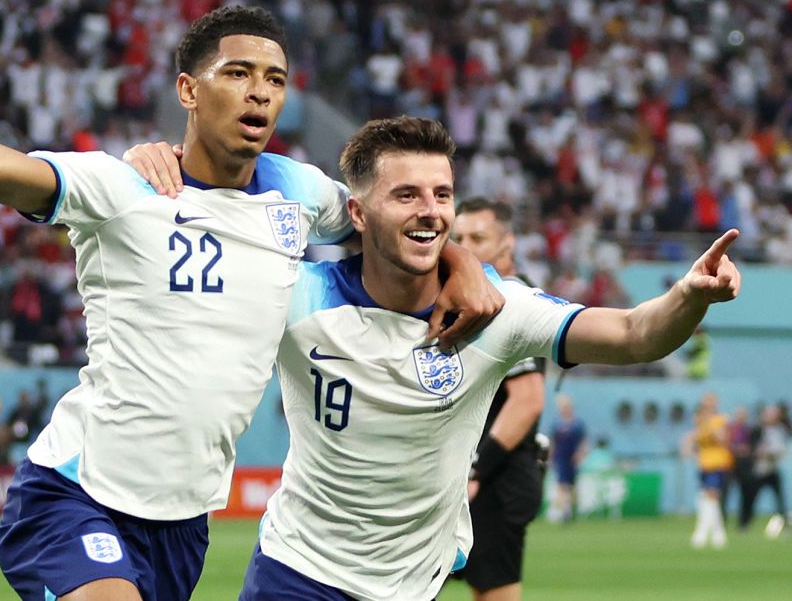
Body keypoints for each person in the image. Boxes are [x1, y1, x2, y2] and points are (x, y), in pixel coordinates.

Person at [0, 6, 500, 600]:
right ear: (188, 89)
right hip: (75, 491)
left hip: (182, 522)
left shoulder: (300, 192)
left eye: (275, 79)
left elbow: (392, 219)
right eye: (237, 73)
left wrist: (463, 259)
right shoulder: (122, 187)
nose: (259, 92)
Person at [236, 116, 742, 601]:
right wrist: (161, 166)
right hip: (297, 571)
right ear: (359, 213)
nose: (429, 210)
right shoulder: (297, 297)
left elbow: (633, 334)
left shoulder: (498, 311)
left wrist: (688, 295)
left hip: (413, 584)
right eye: (406, 194)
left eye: (442, 194)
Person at [448, 197, 546, 601]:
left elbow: (527, 400)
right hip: (471, 475)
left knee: (493, 592)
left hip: (495, 477)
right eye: (458, 237)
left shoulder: (511, 302)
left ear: (508, 244)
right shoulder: (474, 297)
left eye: (478, 237)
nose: (464, 246)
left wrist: (474, 471)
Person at [688, 392, 733, 549]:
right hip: (704, 464)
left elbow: (722, 439)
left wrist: (708, 425)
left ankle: (702, 533)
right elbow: (694, 441)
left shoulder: (720, 420)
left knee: (711, 497)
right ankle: (718, 534)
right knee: (707, 498)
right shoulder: (699, 421)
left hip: (717, 463)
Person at [745, 405, 788, 537]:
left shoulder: (780, 429)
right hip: (759, 470)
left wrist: (770, 453)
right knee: (751, 498)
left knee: (779, 500)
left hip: (773, 469)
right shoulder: (757, 429)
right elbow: (751, 447)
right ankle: (745, 524)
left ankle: (784, 526)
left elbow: (781, 449)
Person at [548, 393, 588, 523]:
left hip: (573, 459)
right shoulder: (557, 424)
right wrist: (549, 457)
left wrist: (580, 454)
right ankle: (564, 511)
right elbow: (553, 443)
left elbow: (584, 442)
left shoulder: (577, 424)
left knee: (570, 486)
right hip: (560, 458)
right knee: (562, 484)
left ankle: (565, 509)